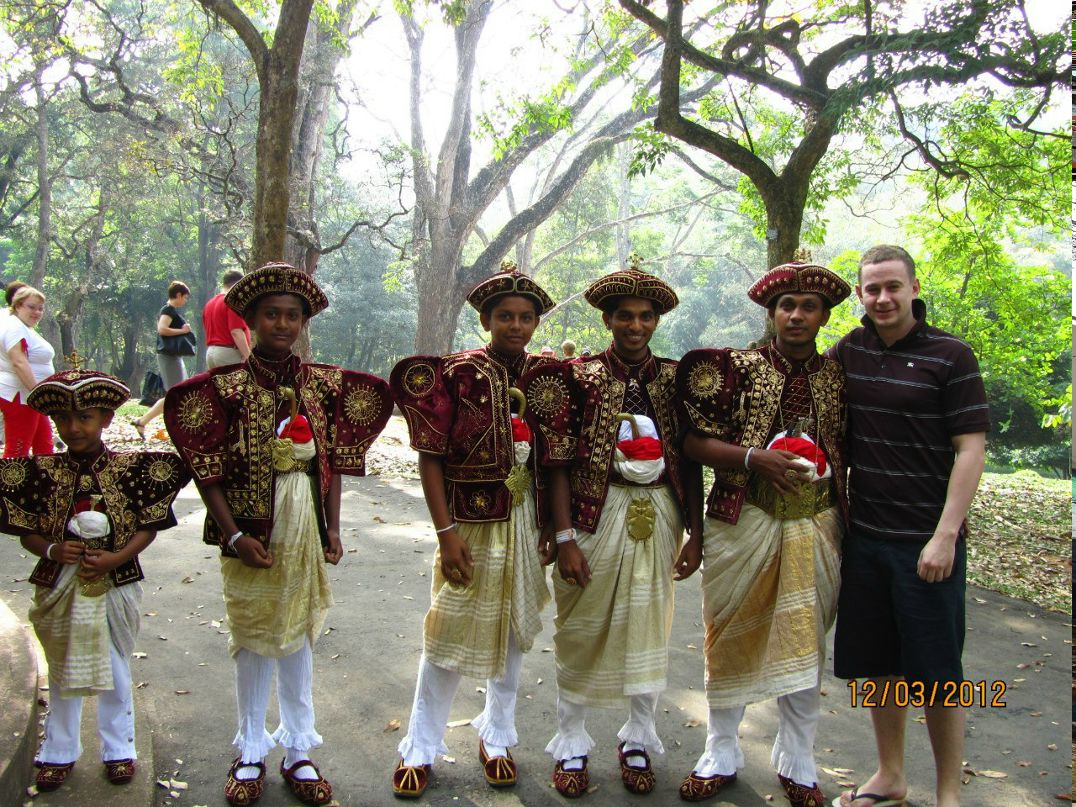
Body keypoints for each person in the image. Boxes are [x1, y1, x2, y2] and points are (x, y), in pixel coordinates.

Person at [164, 263, 392, 807]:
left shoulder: (323, 385)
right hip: (251, 531)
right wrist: (235, 533)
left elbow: (332, 460)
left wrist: (333, 526)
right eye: (272, 314)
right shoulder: (224, 388)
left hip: (306, 524)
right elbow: (208, 470)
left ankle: (297, 749)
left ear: (304, 322)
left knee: (297, 636)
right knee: (252, 637)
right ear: (252, 319)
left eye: (293, 315)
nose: (283, 324)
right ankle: (249, 750)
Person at [518, 258, 698, 798]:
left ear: (657, 321)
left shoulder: (674, 379)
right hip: (594, 517)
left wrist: (697, 534)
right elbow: (554, 462)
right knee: (581, 627)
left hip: (660, 515)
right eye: (624, 315)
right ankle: (571, 740)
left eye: (645, 316)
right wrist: (565, 535)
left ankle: (637, 736)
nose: (635, 325)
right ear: (607, 319)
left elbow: (690, 461)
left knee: (648, 624)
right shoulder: (576, 377)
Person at [675, 259, 851, 807]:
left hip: (818, 523)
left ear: (823, 317)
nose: (796, 316)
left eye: (809, 307)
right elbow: (691, 443)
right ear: (772, 313)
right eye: (787, 306)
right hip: (741, 518)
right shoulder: (733, 369)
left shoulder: (839, 376)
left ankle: (797, 756)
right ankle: (721, 748)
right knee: (728, 635)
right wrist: (754, 458)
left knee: (805, 642)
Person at [389, 262, 558, 799]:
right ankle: (419, 744)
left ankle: (498, 735)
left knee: (510, 634)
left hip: (525, 522)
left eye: (526, 317)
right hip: (470, 525)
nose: (516, 325)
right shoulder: (456, 374)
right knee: (448, 632)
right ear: (486, 319)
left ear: (535, 323)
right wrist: (445, 532)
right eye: (504, 316)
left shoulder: (545, 376)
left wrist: (554, 528)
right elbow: (430, 458)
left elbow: (554, 462)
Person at [830, 245, 988, 807]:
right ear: (860, 293)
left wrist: (946, 534)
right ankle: (891, 775)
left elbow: (971, 448)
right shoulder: (850, 349)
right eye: (871, 289)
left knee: (937, 672)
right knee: (877, 665)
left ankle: (948, 793)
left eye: (893, 286)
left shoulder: (952, 355)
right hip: (865, 537)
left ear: (914, 287)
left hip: (927, 542)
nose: (882, 298)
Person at [0, 368, 187, 792]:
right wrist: (51, 549)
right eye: (63, 419)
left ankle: (119, 748)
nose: (72, 427)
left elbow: (148, 524)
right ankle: (58, 750)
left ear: (105, 418)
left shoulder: (133, 468)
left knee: (117, 666)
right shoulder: (40, 471)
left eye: (84, 417)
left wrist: (116, 557)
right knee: (62, 665)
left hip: (116, 579)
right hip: (59, 580)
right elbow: (28, 531)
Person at [132, 281, 194, 439]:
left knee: (178, 394)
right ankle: (170, 426)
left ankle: (143, 421)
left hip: (173, 357)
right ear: (178, 295)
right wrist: (182, 330)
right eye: (185, 297)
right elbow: (162, 330)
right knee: (176, 394)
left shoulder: (170, 310)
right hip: (169, 357)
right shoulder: (168, 310)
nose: (185, 301)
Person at [0, 285, 56, 457]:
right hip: (20, 394)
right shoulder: (13, 326)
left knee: (44, 445)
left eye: (40, 308)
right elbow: (19, 362)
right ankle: (10, 484)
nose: (37, 312)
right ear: (17, 306)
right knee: (18, 448)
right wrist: (37, 393)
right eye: (31, 307)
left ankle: (45, 482)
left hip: (32, 398)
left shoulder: (23, 327)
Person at [204, 269, 251, 369]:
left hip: (211, 352)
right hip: (229, 353)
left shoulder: (209, 304)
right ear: (239, 284)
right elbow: (236, 332)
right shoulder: (232, 301)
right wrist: (249, 357)